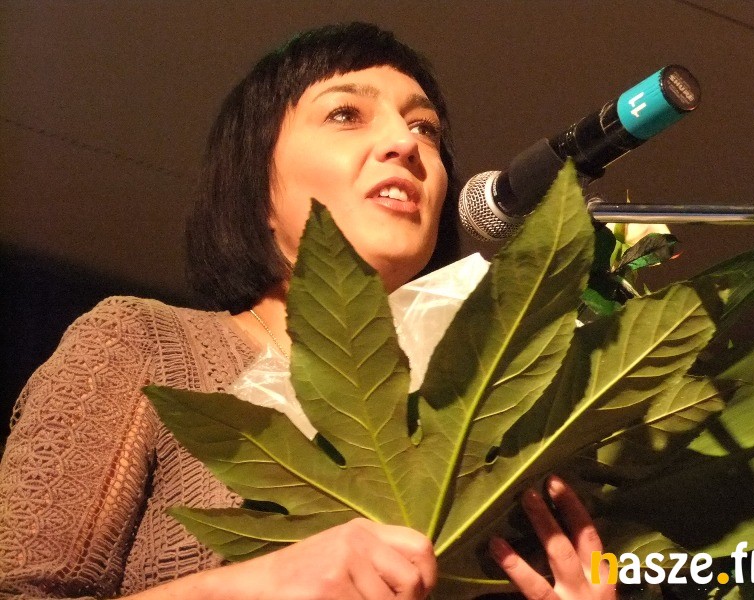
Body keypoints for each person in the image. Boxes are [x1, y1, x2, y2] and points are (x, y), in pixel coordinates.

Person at [0, 22, 616, 600]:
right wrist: (259, 583)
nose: (406, 143)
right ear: (257, 187)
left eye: (425, 128)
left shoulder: (499, 403)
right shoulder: (144, 343)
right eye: (346, 114)